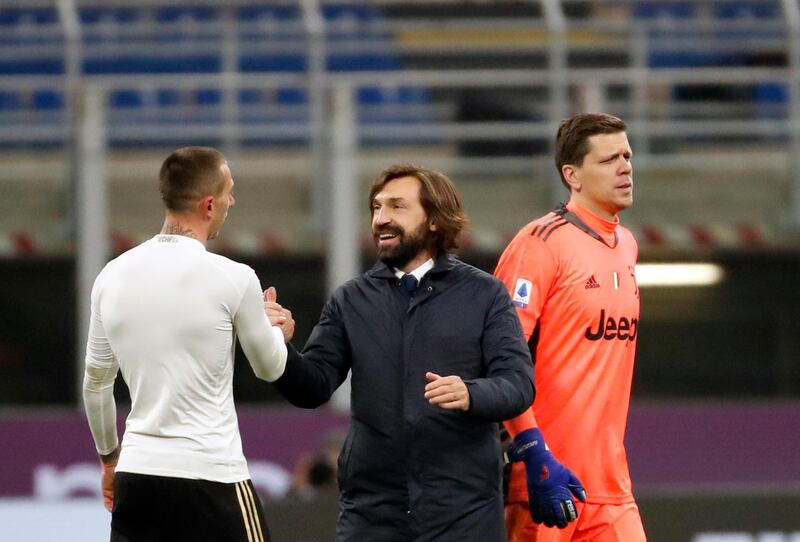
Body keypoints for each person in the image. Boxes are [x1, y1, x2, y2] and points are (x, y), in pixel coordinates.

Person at [265, 164, 534, 542]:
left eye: (397, 206)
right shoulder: (350, 299)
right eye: (376, 208)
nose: (381, 219)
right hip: (373, 515)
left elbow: (519, 385)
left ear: (436, 221)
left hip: (464, 512)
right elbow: (313, 387)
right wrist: (277, 346)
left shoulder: (485, 295)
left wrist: (471, 393)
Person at [82, 146, 290, 542]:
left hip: (138, 478)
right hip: (212, 476)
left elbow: (95, 384)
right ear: (209, 205)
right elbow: (270, 367)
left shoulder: (112, 275)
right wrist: (274, 331)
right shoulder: (234, 277)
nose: (233, 201)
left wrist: (110, 459)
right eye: (229, 192)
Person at [494, 113, 646, 541]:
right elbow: (500, 358)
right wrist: (534, 453)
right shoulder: (540, 242)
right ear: (572, 175)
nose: (625, 167)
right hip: (545, 483)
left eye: (627, 155)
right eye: (609, 159)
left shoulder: (628, 245)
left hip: (612, 489)